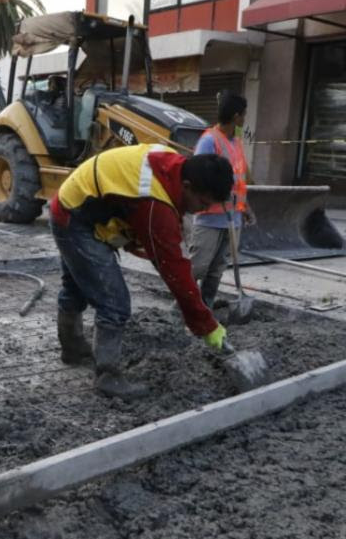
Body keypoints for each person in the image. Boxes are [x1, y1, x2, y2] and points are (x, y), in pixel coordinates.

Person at [50, 143, 235, 398]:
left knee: (77, 286)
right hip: (76, 219)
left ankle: (72, 349)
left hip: (76, 205)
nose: (201, 210)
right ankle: (107, 376)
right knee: (114, 302)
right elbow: (175, 272)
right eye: (202, 203)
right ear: (188, 186)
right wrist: (206, 324)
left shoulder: (172, 166)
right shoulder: (154, 202)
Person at [189, 93, 256, 308]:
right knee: (198, 267)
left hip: (232, 218)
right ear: (236, 116)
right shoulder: (210, 141)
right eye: (244, 115)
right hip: (210, 218)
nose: (245, 119)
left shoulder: (236, 142)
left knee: (217, 268)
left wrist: (245, 206)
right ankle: (184, 306)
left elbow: (239, 178)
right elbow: (197, 177)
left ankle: (205, 307)